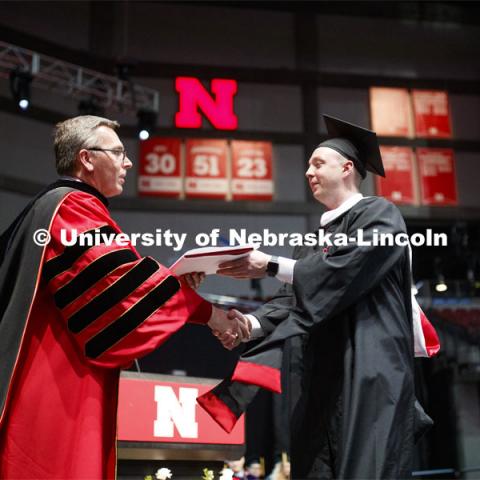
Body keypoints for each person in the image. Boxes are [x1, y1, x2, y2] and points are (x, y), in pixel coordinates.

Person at [0, 115, 249, 479]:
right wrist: (209, 314)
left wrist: (174, 282)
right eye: (117, 152)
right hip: (54, 384)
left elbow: (120, 282)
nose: (128, 162)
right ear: (86, 159)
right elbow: (122, 286)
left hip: (54, 377)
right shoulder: (71, 208)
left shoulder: (57, 206)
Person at [198, 115, 440, 479]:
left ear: (347, 168)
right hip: (320, 377)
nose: (308, 172)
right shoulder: (312, 241)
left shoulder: (380, 214)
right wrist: (246, 324)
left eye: (317, 163)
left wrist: (268, 264)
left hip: (368, 370)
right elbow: (290, 299)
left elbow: (345, 270)